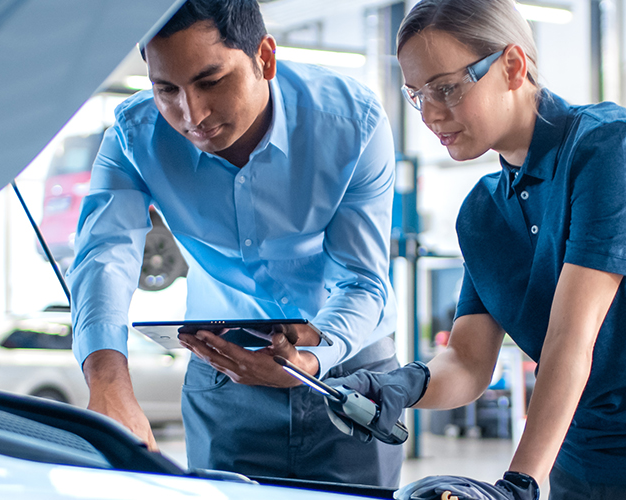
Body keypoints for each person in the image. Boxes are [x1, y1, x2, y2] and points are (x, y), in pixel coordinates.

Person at [329, 1, 626, 499]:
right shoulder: (483, 213)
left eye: (445, 88)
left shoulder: (611, 149)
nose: (429, 114)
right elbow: (469, 362)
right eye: (416, 95)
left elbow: (571, 337)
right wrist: (402, 385)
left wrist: (518, 482)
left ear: (512, 66)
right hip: (578, 457)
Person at [67, 0, 403, 487]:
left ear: (264, 57)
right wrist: (108, 380)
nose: (192, 115)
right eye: (166, 89)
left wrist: (309, 361)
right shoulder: (133, 136)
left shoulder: (354, 124)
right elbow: (103, 258)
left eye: (210, 81)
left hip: (349, 369)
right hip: (222, 372)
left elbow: (363, 280)